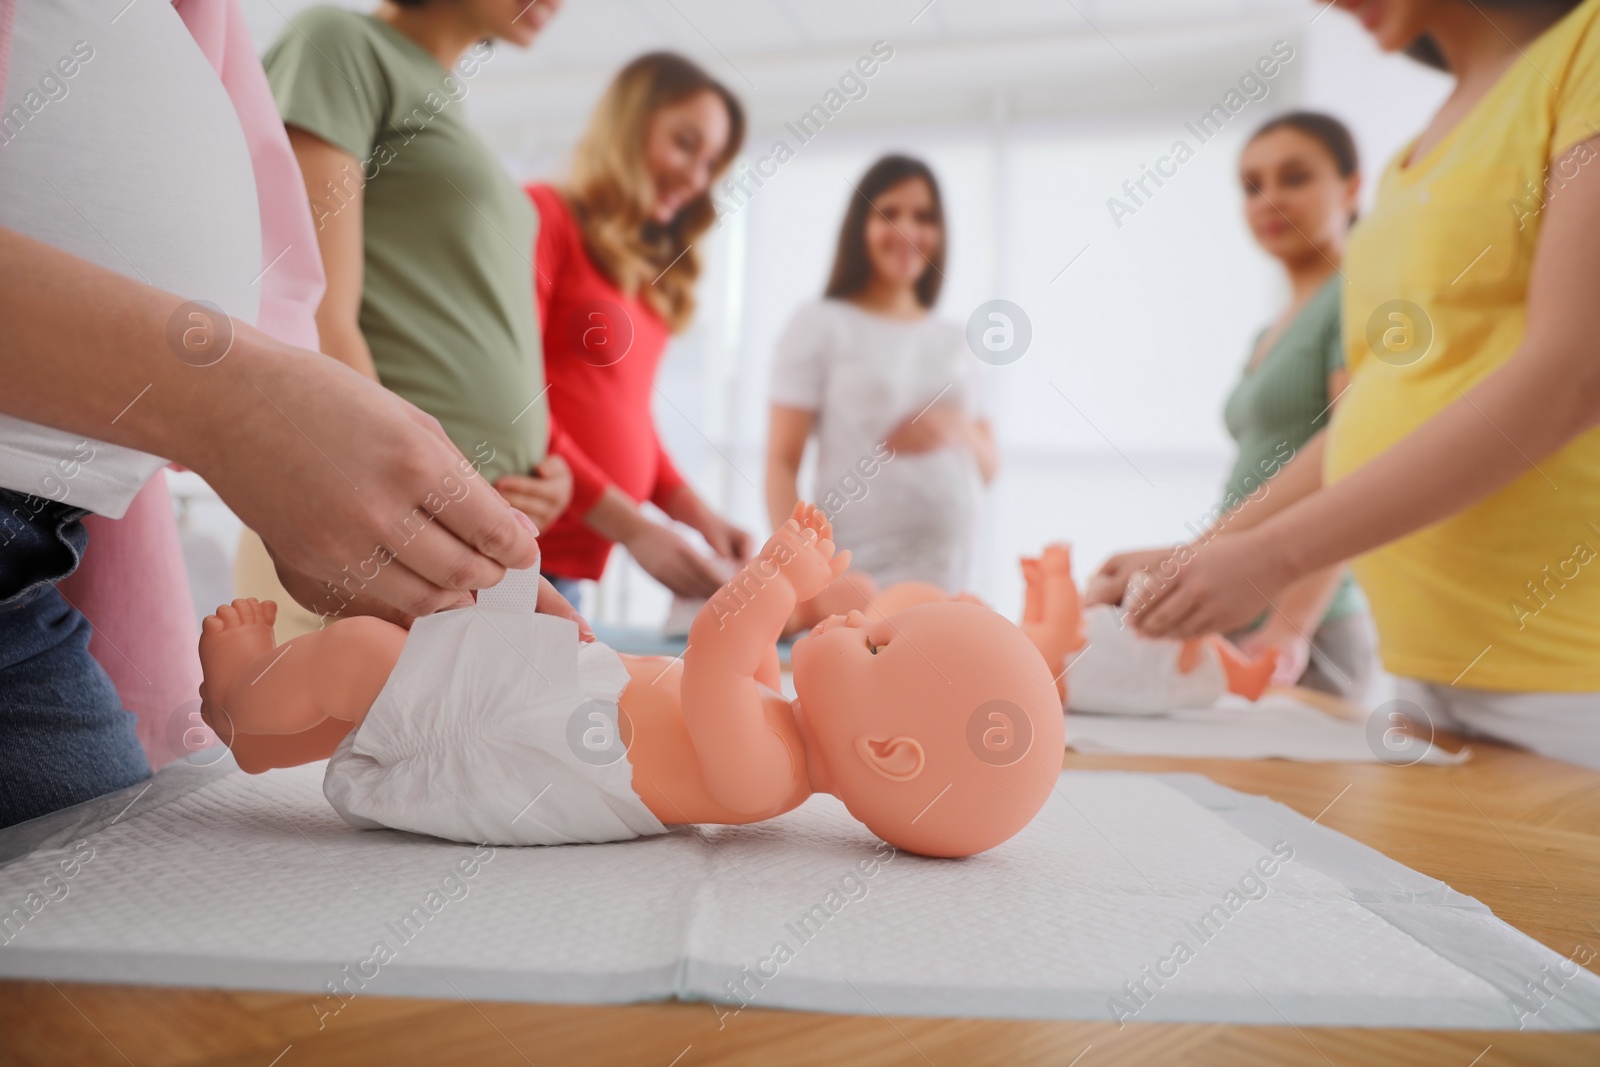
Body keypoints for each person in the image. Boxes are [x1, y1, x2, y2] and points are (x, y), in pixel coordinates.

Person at [0, 0, 555, 827]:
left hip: (34, 556)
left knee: (112, 911)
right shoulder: (349, 51)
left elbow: (274, 275)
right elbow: (324, 307)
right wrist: (239, 409)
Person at [1092, 0, 1600, 766]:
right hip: (1426, 668)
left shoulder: (1585, 51)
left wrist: (1274, 564)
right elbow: (1365, 419)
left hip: (1570, 674)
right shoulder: (1410, 161)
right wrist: (1202, 551)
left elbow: (1575, 373)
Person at [246, 0, 574, 640]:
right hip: (373, 523)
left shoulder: (449, 108)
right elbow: (312, 305)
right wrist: (400, 497)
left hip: (454, 529)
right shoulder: (340, 42)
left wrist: (542, 466)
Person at [1096, 113, 1376, 702]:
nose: (1268, 198)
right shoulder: (1269, 333)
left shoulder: (1357, 298)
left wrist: (1289, 625)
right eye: (1252, 185)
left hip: (1310, 624)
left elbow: (1354, 461)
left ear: (1351, 187)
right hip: (1238, 601)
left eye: (1294, 177)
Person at [527, 53, 752, 603]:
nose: (696, 177)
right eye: (684, 143)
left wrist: (695, 515)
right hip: (515, 550)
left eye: (710, 162)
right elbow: (512, 401)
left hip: (571, 567)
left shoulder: (646, 278)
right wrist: (634, 529)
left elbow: (626, 414)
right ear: (629, 125)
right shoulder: (545, 216)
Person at [766, 154, 996, 595]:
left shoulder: (955, 339)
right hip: (856, 574)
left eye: (924, 216)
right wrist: (802, 574)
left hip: (949, 572)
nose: (908, 231)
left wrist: (957, 427)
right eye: (889, 214)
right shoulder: (820, 324)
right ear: (860, 228)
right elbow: (781, 462)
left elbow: (990, 466)